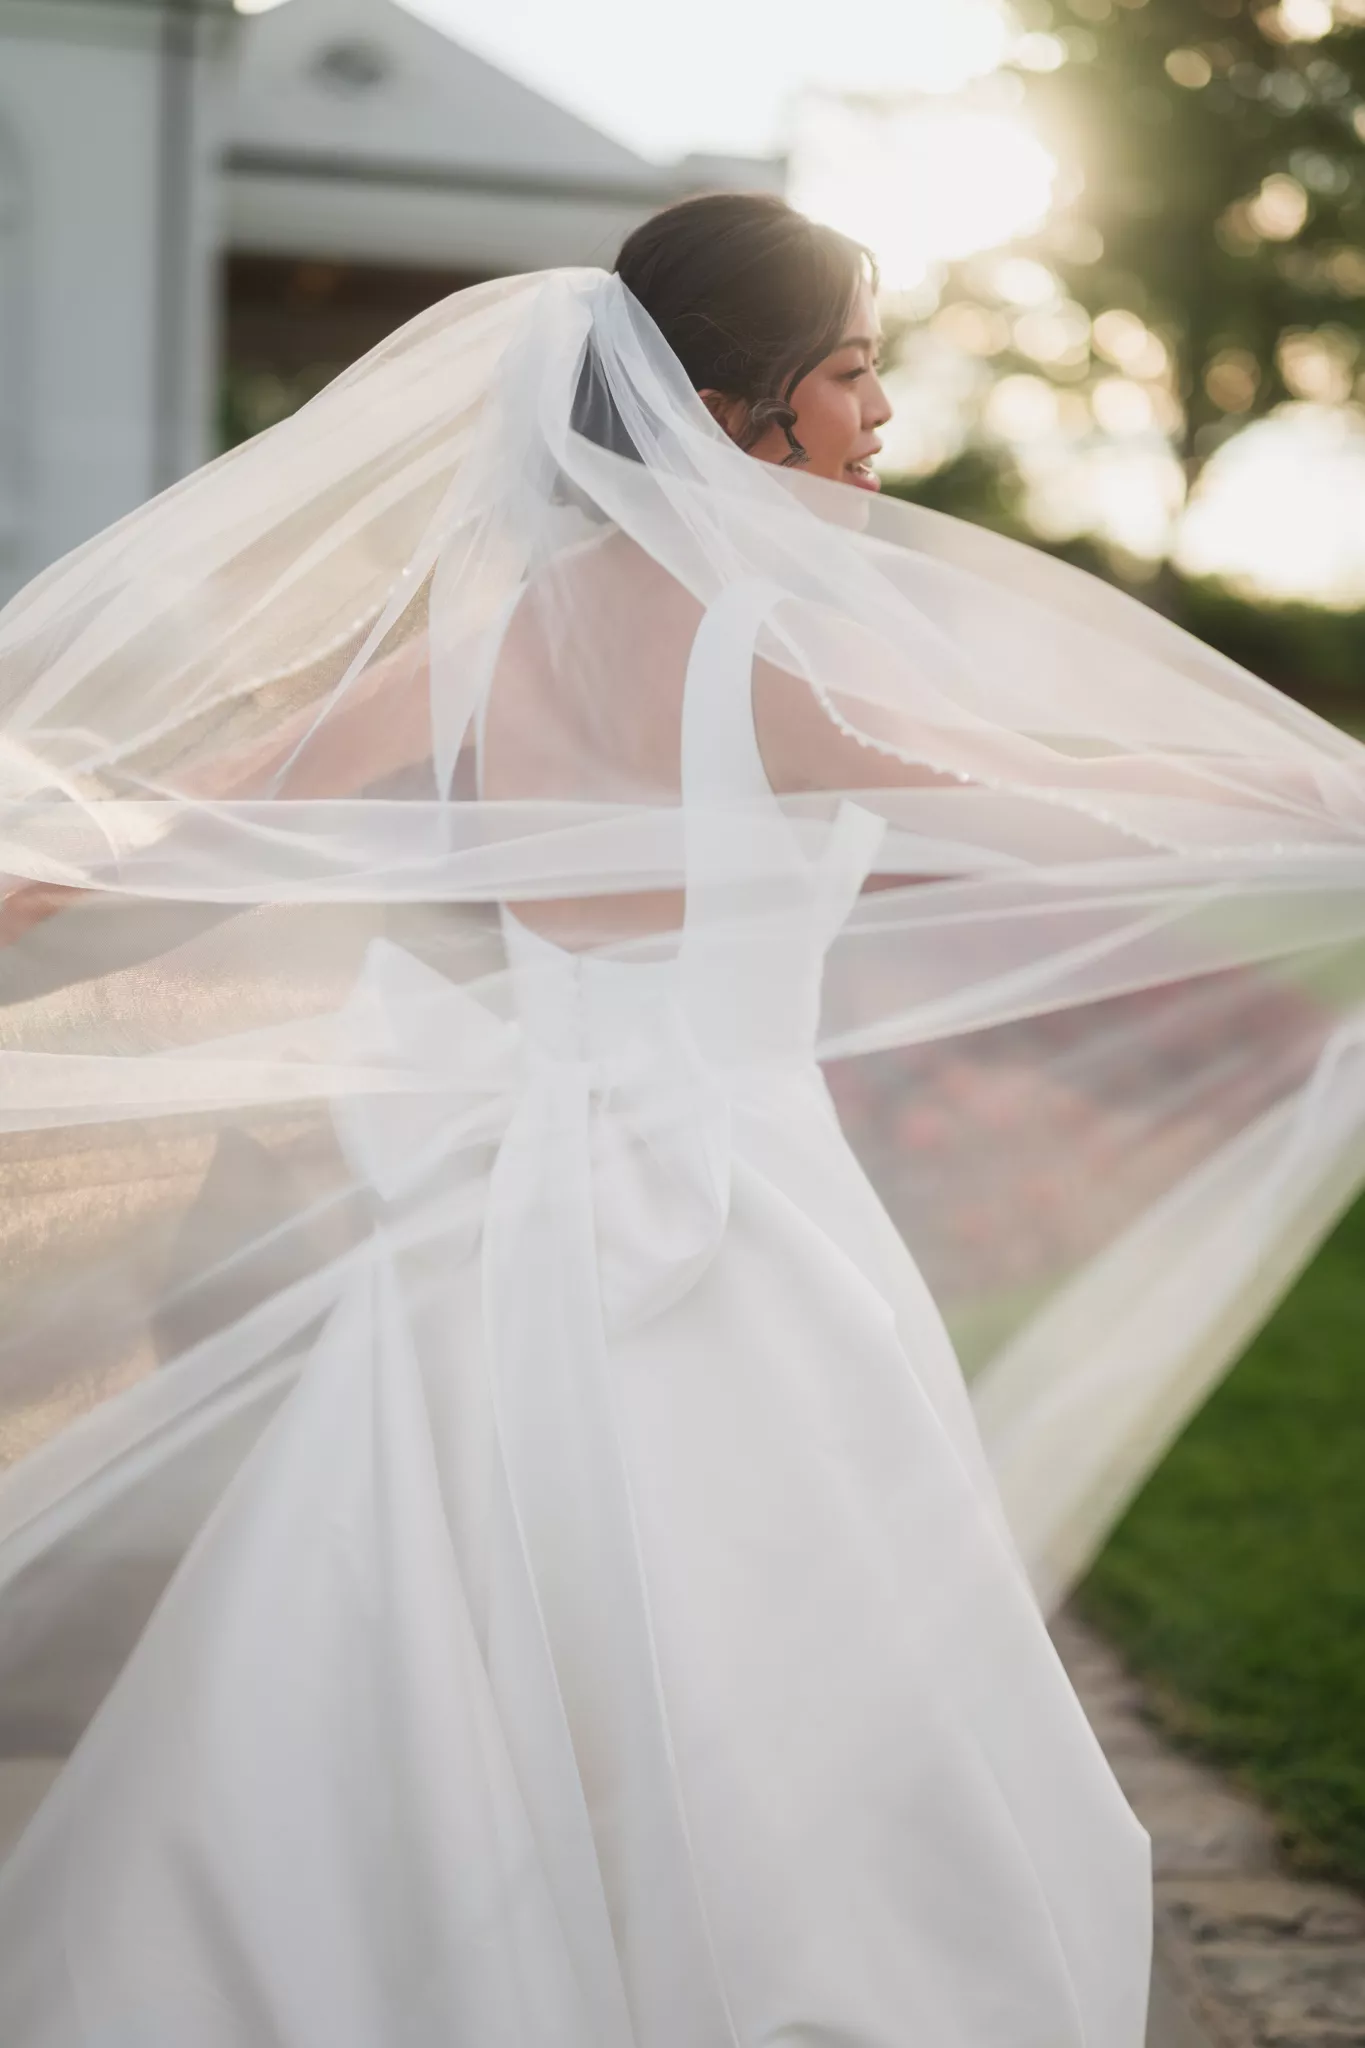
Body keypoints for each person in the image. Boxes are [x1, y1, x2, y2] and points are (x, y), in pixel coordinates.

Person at [1, 191, 1362, 2047]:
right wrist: (1307, 808)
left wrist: (44, 898)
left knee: (437, 1646)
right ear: (737, 416)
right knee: (780, 1668)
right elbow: (1044, 804)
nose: (881, 414)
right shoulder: (766, 662)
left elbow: (219, 823)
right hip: (739, 1231)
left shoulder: (474, 643)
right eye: (855, 371)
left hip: (484, 1232)